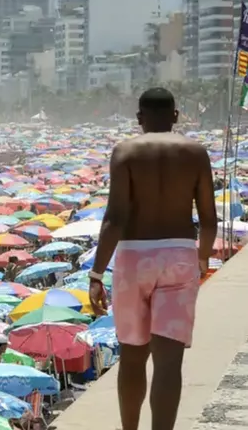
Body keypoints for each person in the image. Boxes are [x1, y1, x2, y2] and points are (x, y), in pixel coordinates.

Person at [91, 87, 216, 430]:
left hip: (134, 257)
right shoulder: (195, 152)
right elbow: (208, 219)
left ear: (139, 118)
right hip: (179, 255)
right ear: (176, 115)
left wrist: (96, 274)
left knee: (132, 357)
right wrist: (202, 261)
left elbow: (115, 218)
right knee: (169, 363)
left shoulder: (125, 152)